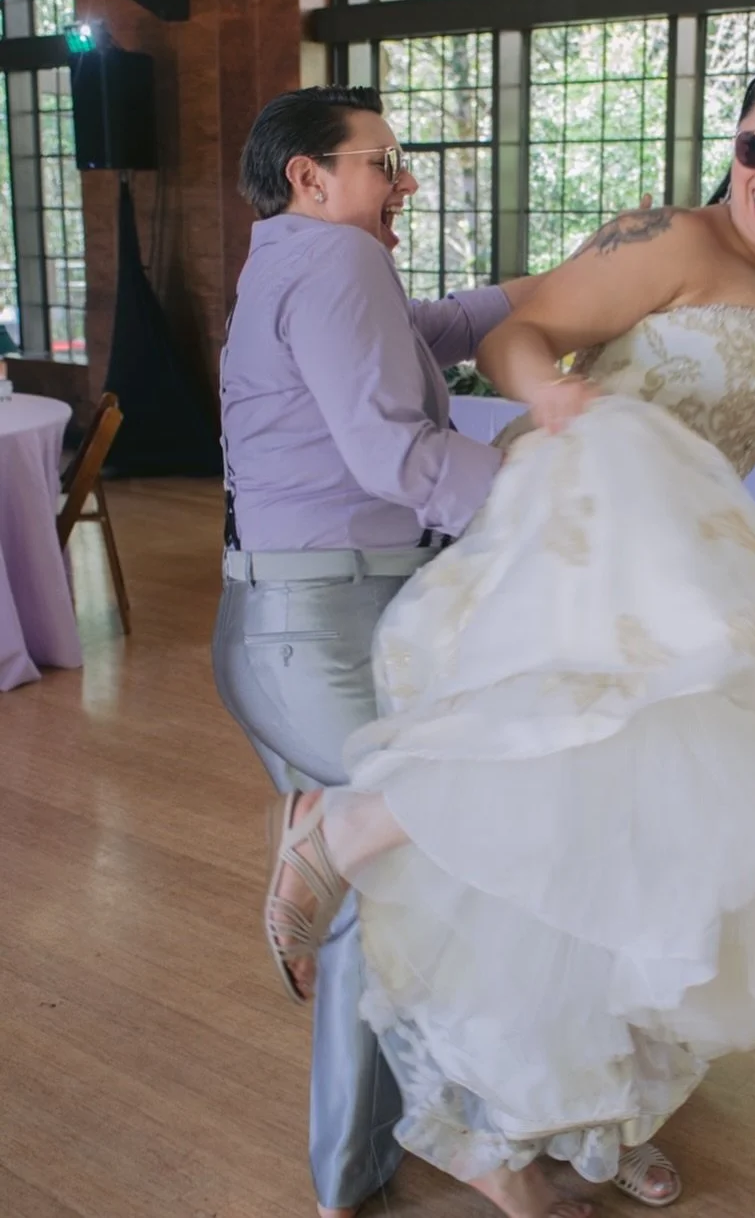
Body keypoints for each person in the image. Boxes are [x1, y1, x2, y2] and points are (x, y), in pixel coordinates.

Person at [257, 52, 755, 1218]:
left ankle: (602, 1117)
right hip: (589, 527)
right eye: (754, 145)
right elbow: (515, 332)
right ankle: (345, 830)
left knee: (649, 853)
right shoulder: (674, 239)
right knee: (555, 782)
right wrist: (550, 397)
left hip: (683, 568)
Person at [213, 85, 553, 1218]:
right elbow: (390, 455)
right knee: (431, 832)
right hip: (319, 630)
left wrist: (541, 293)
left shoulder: (296, 262)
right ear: (311, 177)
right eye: (382, 163)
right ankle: (370, 1164)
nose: (401, 181)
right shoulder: (337, 262)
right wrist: (548, 488)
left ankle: (359, 1162)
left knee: (381, 889)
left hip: (290, 622)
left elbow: (427, 332)